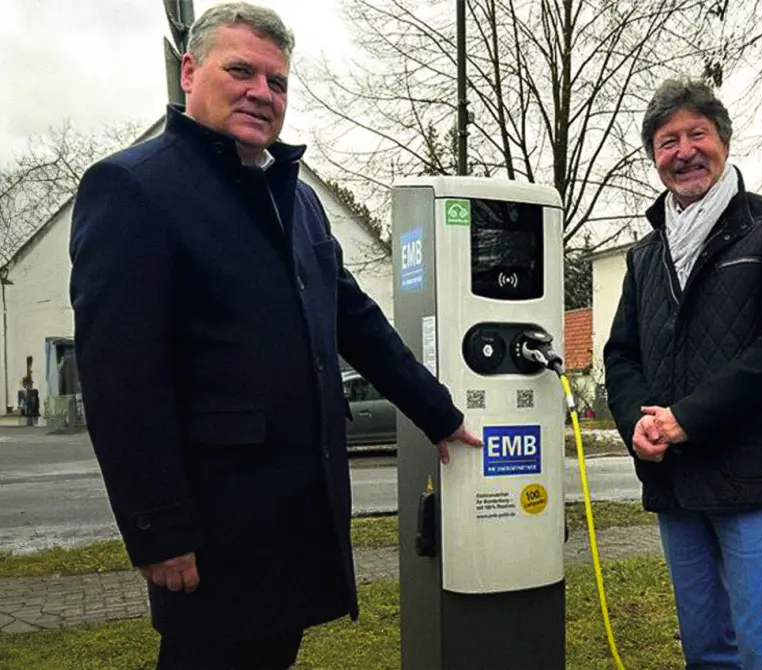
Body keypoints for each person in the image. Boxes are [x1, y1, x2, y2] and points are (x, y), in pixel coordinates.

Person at [67, 3, 480, 667]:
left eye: (278, 81)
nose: (263, 92)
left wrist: (438, 413)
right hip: (211, 528)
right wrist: (158, 528)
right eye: (242, 71)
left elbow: (353, 318)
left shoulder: (295, 197)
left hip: (292, 518)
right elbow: (120, 381)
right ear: (190, 71)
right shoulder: (134, 188)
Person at [603, 78, 762, 669]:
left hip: (754, 481)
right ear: (654, 158)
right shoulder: (645, 256)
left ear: (723, 140)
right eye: (666, 141)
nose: (683, 151)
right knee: (706, 650)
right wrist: (636, 426)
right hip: (677, 484)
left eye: (696, 133)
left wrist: (685, 418)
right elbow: (622, 354)